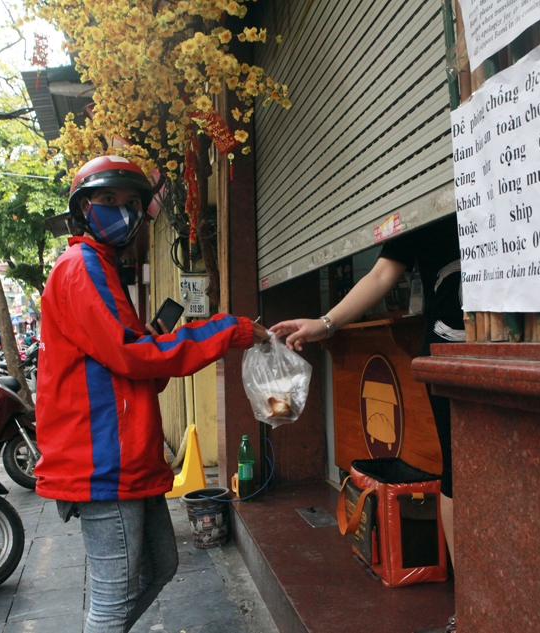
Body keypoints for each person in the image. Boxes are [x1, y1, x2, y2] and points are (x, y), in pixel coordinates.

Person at [34, 155, 268, 633]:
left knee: (161, 568)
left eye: (131, 202)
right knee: (112, 602)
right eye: (106, 201)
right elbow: (136, 356)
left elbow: (135, 365)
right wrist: (230, 330)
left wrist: (153, 341)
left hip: (127, 455)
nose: (120, 210)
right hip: (102, 461)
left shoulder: (101, 268)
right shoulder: (81, 267)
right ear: (83, 208)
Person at [269, 215, 463, 633]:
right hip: (450, 348)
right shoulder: (426, 198)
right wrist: (324, 325)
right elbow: (381, 272)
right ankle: (471, 604)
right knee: (458, 473)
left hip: (514, 338)